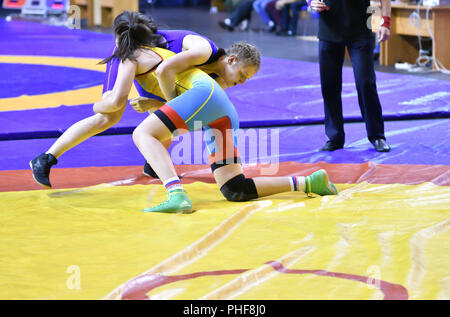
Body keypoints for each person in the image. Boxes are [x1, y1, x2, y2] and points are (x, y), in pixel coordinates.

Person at [30, 12, 258, 188]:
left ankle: (154, 165)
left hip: (160, 72)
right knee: (108, 115)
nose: (242, 82)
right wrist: (168, 107)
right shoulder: (203, 50)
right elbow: (165, 70)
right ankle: (46, 158)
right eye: (242, 75)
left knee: (175, 121)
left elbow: (184, 107)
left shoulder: (218, 82)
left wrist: (161, 106)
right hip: (138, 54)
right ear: (231, 59)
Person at [311, 0, 391, 152]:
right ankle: (335, 137)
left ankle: (377, 135)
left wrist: (385, 22)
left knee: (365, 82)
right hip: (329, 25)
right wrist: (311, 2)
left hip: (361, 27)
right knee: (329, 84)